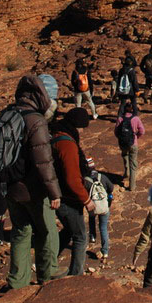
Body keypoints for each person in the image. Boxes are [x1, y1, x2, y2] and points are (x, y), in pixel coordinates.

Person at [4, 73, 62, 289]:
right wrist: (55, 192)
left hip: (10, 186)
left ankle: (17, 283)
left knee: (20, 232)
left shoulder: (8, 113)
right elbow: (43, 162)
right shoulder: (36, 121)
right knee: (48, 232)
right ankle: (48, 277)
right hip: (33, 189)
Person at [49, 108, 96, 276]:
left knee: (69, 230)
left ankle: (49, 260)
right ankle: (76, 275)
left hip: (57, 193)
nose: (82, 131)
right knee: (80, 236)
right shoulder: (67, 143)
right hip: (67, 198)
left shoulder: (55, 134)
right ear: (76, 126)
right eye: (82, 127)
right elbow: (72, 178)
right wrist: (86, 200)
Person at [83, 157, 115, 263]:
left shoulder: (85, 180)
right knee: (103, 227)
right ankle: (105, 251)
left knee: (92, 218)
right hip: (104, 206)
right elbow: (111, 188)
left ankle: (92, 236)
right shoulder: (103, 177)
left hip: (92, 206)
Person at [114, 100, 145, 191]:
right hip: (133, 143)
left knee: (124, 155)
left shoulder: (120, 118)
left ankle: (126, 172)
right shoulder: (136, 119)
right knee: (133, 163)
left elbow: (116, 132)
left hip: (123, 143)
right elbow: (142, 131)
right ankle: (132, 186)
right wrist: (136, 137)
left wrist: (121, 138)